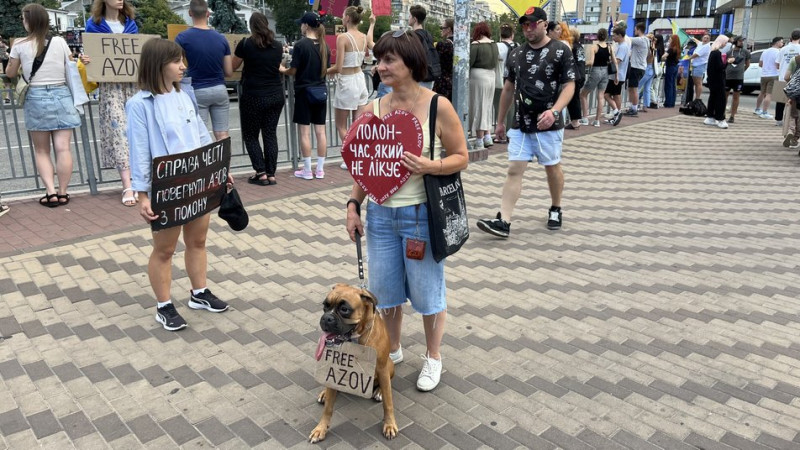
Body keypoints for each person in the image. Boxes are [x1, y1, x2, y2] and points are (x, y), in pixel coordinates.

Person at [345, 30, 468, 392]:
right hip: (381, 218)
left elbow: (461, 156)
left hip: (421, 217)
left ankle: (433, 357)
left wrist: (431, 166)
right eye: (378, 60)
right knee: (386, 292)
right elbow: (366, 167)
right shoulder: (374, 109)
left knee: (428, 292)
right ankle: (393, 348)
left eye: (388, 60)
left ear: (411, 63)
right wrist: (354, 205)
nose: (380, 66)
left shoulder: (437, 106)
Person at [127, 39, 231, 331]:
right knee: (165, 249)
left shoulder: (184, 94)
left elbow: (200, 134)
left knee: (198, 241)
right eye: (176, 61)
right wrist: (142, 194)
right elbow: (139, 150)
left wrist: (217, 169)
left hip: (196, 179)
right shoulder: (140, 105)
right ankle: (164, 305)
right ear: (158, 65)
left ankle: (199, 293)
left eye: (182, 60)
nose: (183, 66)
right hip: (167, 184)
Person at [477, 6, 575, 236]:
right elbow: (509, 88)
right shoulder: (517, 54)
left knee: (552, 167)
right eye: (524, 24)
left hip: (548, 123)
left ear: (543, 24)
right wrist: (499, 122)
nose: (528, 28)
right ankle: (504, 222)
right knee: (514, 169)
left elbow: (570, 85)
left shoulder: (561, 51)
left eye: (532, 23)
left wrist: (555, 111)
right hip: (521, 123)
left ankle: (556, 207)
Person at [7, 4, 80, 208]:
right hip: (62, 93)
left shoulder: (20, 44)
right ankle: (64, 192)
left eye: (23, 19)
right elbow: (70, 66)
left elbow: (10, 73)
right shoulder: (59, 42)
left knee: (42, 150)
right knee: (63, 147)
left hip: (36, 96)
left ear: (29, 21)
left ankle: (50, 192)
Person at [81, 0, 139, 207]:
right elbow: (94, 56)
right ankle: (127, 184)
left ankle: (139, 179)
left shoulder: (131, 24)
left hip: (132, 85)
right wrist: (87, 59)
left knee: (135, 129)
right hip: (110, 86)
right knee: (118, 132)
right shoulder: (93, 25)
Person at [233, 12, 284, 186]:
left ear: (251, 26)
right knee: (270, 134)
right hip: (276, 95)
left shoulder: (246, 44)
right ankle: (271, 174)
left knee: (250, 135)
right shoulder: (277, 46)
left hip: (253, 95)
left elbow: (233, 65)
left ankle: (260, 173)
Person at [280, 12, 329, 180]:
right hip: (321, 92)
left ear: (306, 26)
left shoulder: (300, 45)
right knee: (321, 132)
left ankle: (307, 170)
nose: (300, 26)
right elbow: (325, 69)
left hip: (303, 92)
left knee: (305, 133)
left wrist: (282, 70)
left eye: (301, 24)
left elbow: (293, 70)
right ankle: (320, 170)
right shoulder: (324, 45)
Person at [175, 0, 233, 141]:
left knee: (200, 135)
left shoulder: (182, 38)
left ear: (190, 13)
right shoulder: (221, 39)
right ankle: (225, 163)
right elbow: (229, 71)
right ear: (208, 14)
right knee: (222, 134)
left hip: (197, 90)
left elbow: (177, 64)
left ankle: (205, 164)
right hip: (219, 89)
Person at [327, 6, 370, 150]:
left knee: (341, 125)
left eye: (343, 15)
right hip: (360, 79)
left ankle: (351, 157)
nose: (341, 17)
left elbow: (338, 67)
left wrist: (322, 71)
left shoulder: (343, 37)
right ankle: (358, 156)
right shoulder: (364, 37)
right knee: (357, 124)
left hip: (347, 82)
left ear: (347, 18)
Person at [469, 22, 498, 149]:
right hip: (491, 76)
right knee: (486, 107)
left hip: (478, 77)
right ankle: (487, 136)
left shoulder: (476, 45)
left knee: (478, 107)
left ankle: (479, 139)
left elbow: (469, 62)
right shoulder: (494, 44)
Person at [580, 27, 612, 127]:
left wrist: (582, 63)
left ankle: (585, 118)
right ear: (606, 36)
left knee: (583, 94)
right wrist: (616, 75)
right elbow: (613, 60)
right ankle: (597, 120)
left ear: (597, 36)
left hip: (596, 71)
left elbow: (591, 62)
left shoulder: (594, 47)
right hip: (606, 71)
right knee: (601, 96)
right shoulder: (609, 47)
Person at [493, 23, 517, 139]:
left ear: (500, 34)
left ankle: (500, 133)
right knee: (511, 106)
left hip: (500, 79)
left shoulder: (496, 46)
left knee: (499, 106)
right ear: (512, 35)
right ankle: (510, 132)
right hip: (514, 79)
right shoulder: (518, 46)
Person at [703, 35, 730, 129]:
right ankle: (720, 119)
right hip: (718, 80)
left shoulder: (712, 52)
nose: (725, 44)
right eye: (725, 42)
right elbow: (720, 68)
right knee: (721, 99)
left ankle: (710, 116)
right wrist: (727, 62)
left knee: (713, 98)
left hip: (712, 80)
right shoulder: (716, 53)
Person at [774, 29, 800, 128]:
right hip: (796, 79)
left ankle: (778, 120)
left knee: (780, 101)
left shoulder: (783, 49)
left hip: (782, 77)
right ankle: (791, 123)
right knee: (794, 104)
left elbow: (777, 64)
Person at [603, 27, 629, 126]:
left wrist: (609, 60)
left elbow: (618, 60)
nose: (613, 37)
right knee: (616, 95)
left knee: (607, 95)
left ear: (619, 35)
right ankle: (616, 115)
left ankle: (617, 113)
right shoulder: (621, 45)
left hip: (617, 75)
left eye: (614, 35)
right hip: (619, 74)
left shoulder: (622, 46)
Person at [409, 5, 438, 90]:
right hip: (429, 73)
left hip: (418, 76)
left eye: (410, 16)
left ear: (414, 19)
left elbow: (412, 56)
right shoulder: (427, 34)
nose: (408, 18)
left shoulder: (414, 35)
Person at [624, 22, 648, 117]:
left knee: (634, 89)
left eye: (635, 29)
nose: (634, 31)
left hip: (636, 67)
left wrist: (620, 27)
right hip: (640, 66)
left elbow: (626, 39)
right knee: (631, 88)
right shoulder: (646, 40)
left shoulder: (640, 40)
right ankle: (632, 107)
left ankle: (634, 108)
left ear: (638, 29)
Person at [724, 36, 750, 124]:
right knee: (725, 96)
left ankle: (732, 115)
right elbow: (724, 63)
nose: (742, 43)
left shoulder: (745, 52)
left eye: (742, 41)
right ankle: (722, 113)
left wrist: (741, 71)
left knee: (736, 96)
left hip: (738, 78)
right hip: (728, 77)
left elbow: (747, 64)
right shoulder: (728, 52)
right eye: (740, 41)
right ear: (735, 42)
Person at [755, 37, 783, 118]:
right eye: (781, 42)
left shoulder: (765, 51)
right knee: (769, 94)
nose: (782, 44)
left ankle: (757, 109)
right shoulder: (778, 52)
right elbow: (778, 64)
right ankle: (764, 112)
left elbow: (760, 64)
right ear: (777, 43)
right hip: (773, 74)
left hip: (764, 75)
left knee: (762, 92)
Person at [565, 27, 585, 130]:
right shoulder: (580, 46)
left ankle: (575, 121)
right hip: (582, 74)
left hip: (575, 74)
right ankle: (575, 120)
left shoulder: (572, 47)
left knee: (573, 99)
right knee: (575, 97)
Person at [434, 18, 454, 101]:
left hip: (443, 82)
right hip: (454, 80)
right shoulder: (461, 45)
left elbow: (436, 61)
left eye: (442, 28)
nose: (441, 30)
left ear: (449, 29)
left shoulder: (443, 45)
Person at [636, 33, 656, 113]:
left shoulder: (648, 49)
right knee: (647, 88)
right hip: (652, 69)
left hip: (647, 68)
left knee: (638, 87)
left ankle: (635, 105)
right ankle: (645, 106)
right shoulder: (654, 48)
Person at [689, 34, 711, 99]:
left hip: (700, 65)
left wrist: (688, 58)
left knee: (698, 83)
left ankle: (697, 98)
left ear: (709, 40)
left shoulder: (706, 47)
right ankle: (696, 97)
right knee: (695, 83)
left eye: (707, 38)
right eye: (704, 37)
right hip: (695, 65)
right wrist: (692, 38)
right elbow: (697, 41)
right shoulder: (701, 44)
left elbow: (697, 54)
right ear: (702, 38)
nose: (705, 39)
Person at [662, 34, 681, 108]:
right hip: (675, 67)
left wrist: (663, 58)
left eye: (670, 38)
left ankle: (668, 102)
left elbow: (664, 56)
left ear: (673, 40)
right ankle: (672, 102)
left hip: (670, 67)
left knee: (668, 85)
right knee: (673, 85)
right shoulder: (678, 48)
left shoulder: (671, 49)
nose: (669, 40)